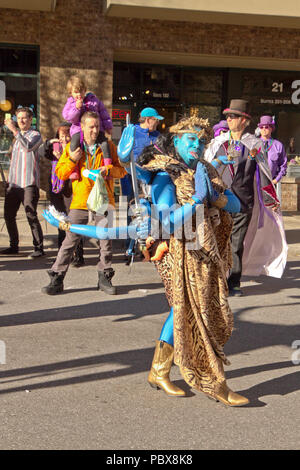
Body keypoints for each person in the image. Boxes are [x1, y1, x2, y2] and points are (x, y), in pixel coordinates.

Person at [44, 116, 250, 407]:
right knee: (200, 313)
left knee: (182, 308)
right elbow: (165, 224)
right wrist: (195, 202)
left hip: (208, 251)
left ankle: (159, 370)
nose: (197, 144)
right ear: (176, 141)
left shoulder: (204, 168)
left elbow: (236, 204)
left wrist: (215, 196)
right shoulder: (166, 174)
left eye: (201, 140)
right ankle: (215, 382)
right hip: (181, 252)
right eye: (190, 139)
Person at [204, 99, 287, 296]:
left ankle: (234, 281)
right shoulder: (218, 143)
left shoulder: (255, 144)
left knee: (236, 243)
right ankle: (217, 280)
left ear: (244, 120)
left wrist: (271, 200)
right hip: (219, 200)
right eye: (227, 116)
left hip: (243, 201)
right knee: (217, 241)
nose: (229, 119)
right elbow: (205, 169)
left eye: (233, 116)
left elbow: (265, 173)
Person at [41, 111, 126, 296]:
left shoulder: (108, 146)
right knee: (69, 240)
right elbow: (61, 173)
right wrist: (73, 159)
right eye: (91, 127)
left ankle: (104, 277)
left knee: (105, 241)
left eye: (97, 126)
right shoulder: (73, 147)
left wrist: (109, 170)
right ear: (82, 127)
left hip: (104, 201)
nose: (95, 130)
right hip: (80, 201)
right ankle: (57, 278)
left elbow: (122, 171)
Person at [120, 107, 164, 260]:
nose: (157, 123)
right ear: (147, 119)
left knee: (148, 211)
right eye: (155, 120)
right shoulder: (132, 131)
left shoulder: (158, 136)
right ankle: (129, 246)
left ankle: (145, 245)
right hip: (132, 177)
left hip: (150, 177)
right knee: (133, 211)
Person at [1, 107, 44, 258]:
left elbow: (29, 147)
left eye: (24, 118)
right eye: (19, 118)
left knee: (30, 214)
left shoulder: (36, 135)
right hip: (13, 184)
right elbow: (11, 157)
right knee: (8, 216)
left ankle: (39, 248)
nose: (21, 121)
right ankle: (14, 246)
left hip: (28, 183)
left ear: (31, 119)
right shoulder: (16, 137)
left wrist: (14, 130)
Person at [62, 75, 113, 171]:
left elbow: (103, 113)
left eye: (81, 91)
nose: (79, 95)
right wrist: (77, 108)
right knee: (74, 145)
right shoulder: (71, 103)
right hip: (78, 129)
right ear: (71, 93)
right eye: (76, 92)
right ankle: (75, 168)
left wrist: (108, 126)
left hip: (98, 129)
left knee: (105, 144)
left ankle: (107, 166)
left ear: (85, 90)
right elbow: (68, 117)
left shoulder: (93, 100)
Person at [258, 115, 287, 184]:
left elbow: (283, 165)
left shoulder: (278, 145)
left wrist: (277, 179)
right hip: (256, 182)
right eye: (261, 127)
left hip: (271, 182)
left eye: (266, 127)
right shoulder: (254, 144)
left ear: (271, 128)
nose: (264, 129)